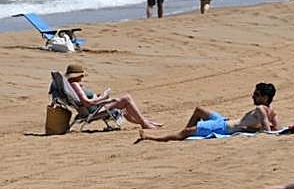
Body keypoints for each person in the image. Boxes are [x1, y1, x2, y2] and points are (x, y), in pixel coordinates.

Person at [135, 82, 278, 143]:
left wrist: (253, 129)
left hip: (223, 127)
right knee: (199, 110)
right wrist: (251, 128)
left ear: (265, 98)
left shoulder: (260, 109)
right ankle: (188, 132)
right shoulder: (272, 112)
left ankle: (150, 138)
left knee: (185, 132)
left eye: (256, 94)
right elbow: (274, 127)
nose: (253, 96)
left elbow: (267, 130)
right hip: (224, 121)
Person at [64, 62, 162, 128]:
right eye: (81, 75)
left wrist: (98, 97)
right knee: (126, 99)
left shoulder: (71, 84)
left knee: (124, 105)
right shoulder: (74, 85)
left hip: (94, 108)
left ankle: (145, 122)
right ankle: (144, 123)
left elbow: (85, 101)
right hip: (95, 111)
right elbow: (87, 103)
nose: (82, 77)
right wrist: (104, 98)